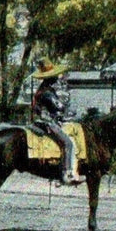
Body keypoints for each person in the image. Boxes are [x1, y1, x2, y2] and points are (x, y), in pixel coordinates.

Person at [31, 57, 84, 185]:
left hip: (45, 120)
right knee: (68, 143)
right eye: (54, 76)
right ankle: (68, 173)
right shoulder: (46, 93)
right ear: (49, 78)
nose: (56, 78)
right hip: (46, 122)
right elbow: (59, 107)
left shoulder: (44, 90)